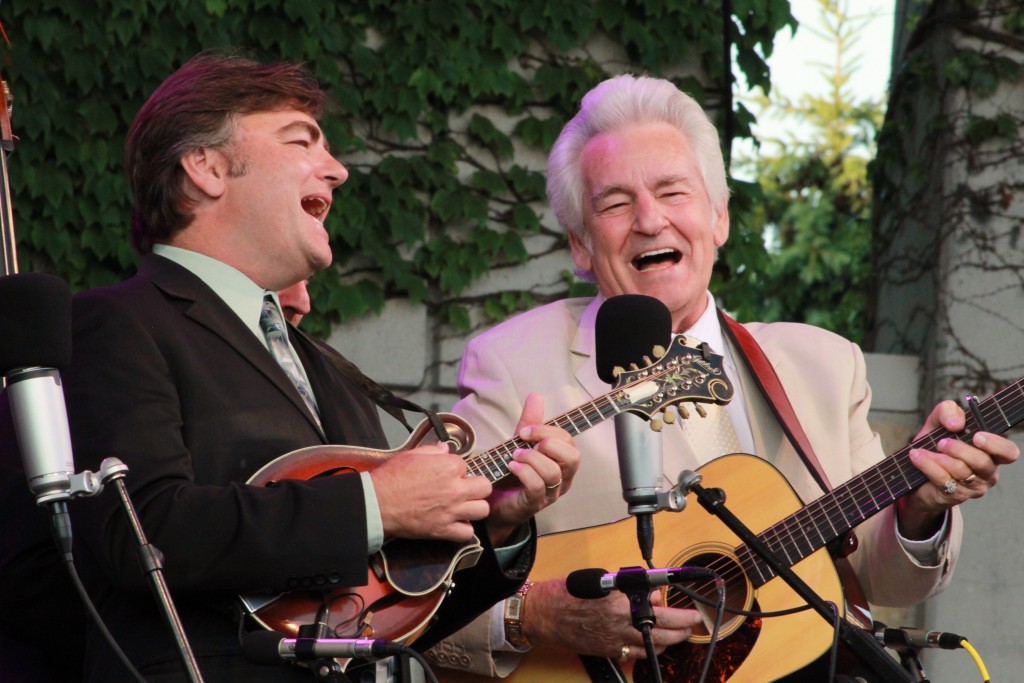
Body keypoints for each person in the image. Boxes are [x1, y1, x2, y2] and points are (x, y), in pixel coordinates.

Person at [0, 52, 580, 683]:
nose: (338, 170)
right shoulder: (114, 324)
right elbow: (142, 531)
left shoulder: (326, 370)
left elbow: (387, 619)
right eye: (301, 141)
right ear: (206, 167)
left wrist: (495, 525)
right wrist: (374, 503)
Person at [425, 75, 1019, 681]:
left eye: (672, 192)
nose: (650, 220)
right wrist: (532, 617)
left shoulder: (823, 365)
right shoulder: (514, 364)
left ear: (719, 219)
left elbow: (879, 578)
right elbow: (409, 601)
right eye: (615, 204)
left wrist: (918, 512)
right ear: (580, 245)